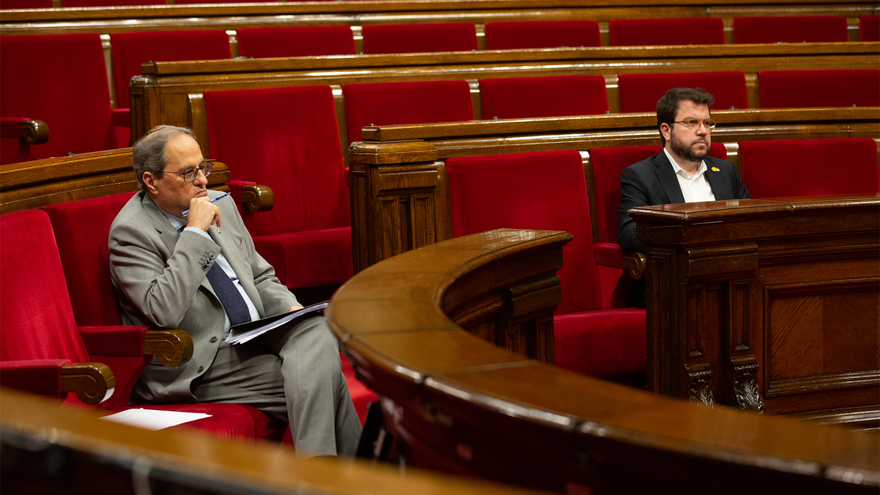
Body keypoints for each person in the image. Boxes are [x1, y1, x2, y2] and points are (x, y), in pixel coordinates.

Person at [109, 125, 361, 457]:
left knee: (315, 329)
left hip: (256, 334)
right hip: (201, 360)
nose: (202, 180)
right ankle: (346, 477)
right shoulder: (131, 232)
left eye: (202, 167)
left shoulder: (219, 203)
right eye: (188, 173)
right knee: (322, 377)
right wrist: (195, 233)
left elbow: (260, 277)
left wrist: (290, 311)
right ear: (151, 181)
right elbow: (162, 310)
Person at [617, 87, 750, 306]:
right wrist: (693, 236)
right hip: (671, 288)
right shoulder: (640, 176)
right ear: (666, 130)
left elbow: (750, 220)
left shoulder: (726, 171)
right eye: (691, 123)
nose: (702, 131)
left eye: (707, 123)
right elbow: (629, 233)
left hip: (729, 282)